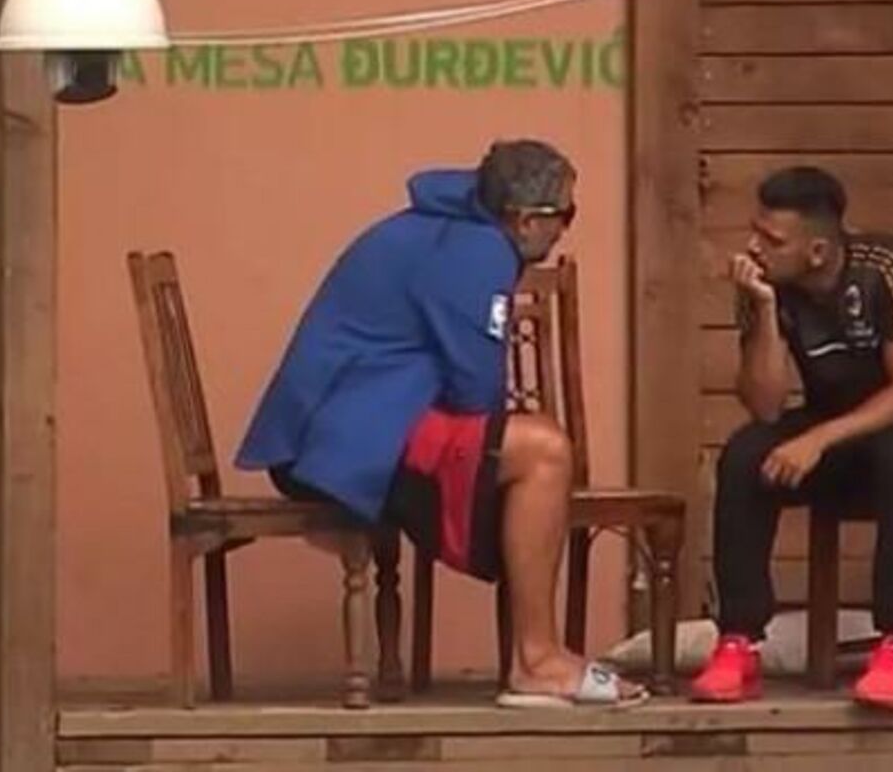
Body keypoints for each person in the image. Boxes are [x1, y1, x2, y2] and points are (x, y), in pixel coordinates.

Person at [236, 139, 646, 708]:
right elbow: (475, 390)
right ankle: (537, 661)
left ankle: (537, 655)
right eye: (565, 215)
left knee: (526, 449)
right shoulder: (480, 248)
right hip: (343, 441)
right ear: (525, 219)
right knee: (545, 451)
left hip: (340, 429)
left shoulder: (449, 228)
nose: (563, 232)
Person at [690, 166, 893, 710]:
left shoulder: (886, 268)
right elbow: (765, 405)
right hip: (840, 430)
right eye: (754, 231)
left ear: (819, 251)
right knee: (745, 454)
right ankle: (738, 642)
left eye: (772, 240)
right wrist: (764, 311)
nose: (754, 248)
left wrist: (818, 439)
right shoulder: (763, 284)